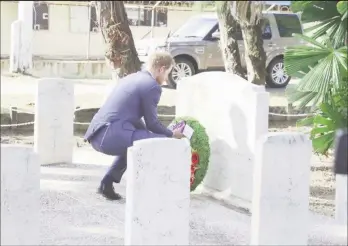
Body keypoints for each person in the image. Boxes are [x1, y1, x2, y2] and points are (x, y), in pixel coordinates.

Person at [84, 51, 185, 200]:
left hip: (97, 134)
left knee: (140, 136)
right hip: (110, 135)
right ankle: (153, 192)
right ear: (161, 69)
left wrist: (149, 132)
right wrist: (171, 134)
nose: (165, 80)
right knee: (159, 142)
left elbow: (135, 120)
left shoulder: (131, 78)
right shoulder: (152, 87)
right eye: (167, 73)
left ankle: (107, 183)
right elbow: (153, 124)